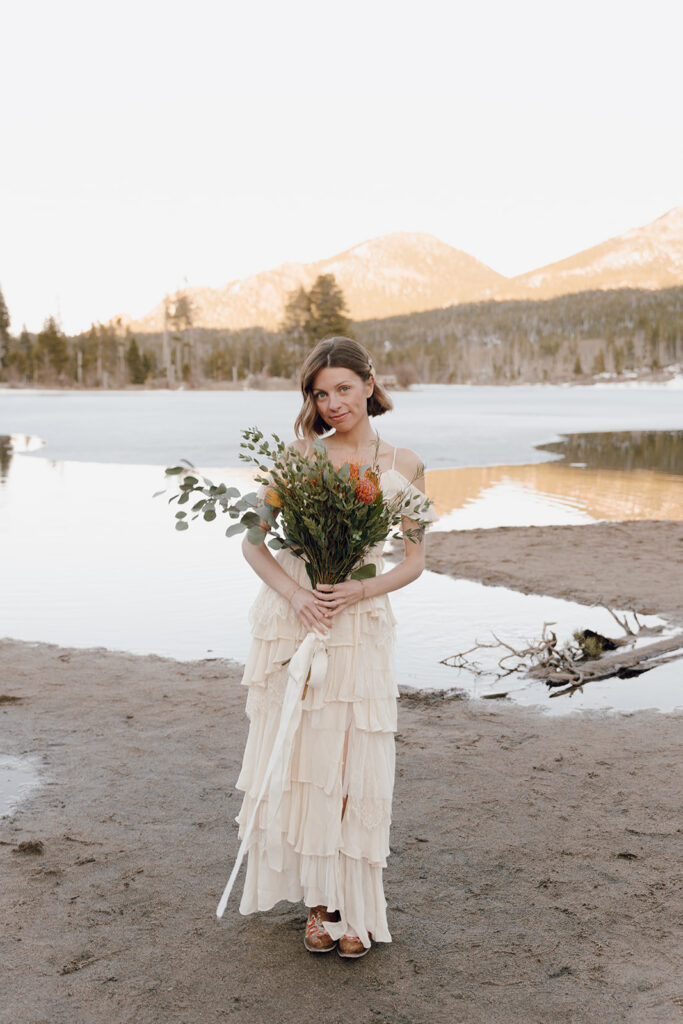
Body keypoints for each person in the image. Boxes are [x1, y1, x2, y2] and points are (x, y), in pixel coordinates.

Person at [232, 335, 436, 958]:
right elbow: (252, 543)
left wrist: (361, 588)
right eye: (321, 395)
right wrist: (297, 598)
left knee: (352, 761)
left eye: (343, 389)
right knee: (304, 759)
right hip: (300, 613)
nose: (333, 404)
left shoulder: (405, 463)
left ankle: (356, 907)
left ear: (370, 386)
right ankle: (319, 906)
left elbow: (417, 560)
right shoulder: (297, 457)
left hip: (358, 620)